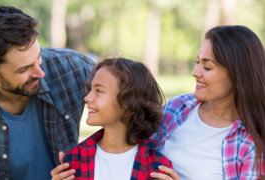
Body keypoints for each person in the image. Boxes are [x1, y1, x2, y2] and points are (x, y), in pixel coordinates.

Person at [0, 6, 94, 179]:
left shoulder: (72, 68)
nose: (40, 73)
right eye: (24, 69)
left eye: (38, 56)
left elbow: (135, 103)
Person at [150, 25, 265, 180]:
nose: (195, 72)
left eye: (207, 67)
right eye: (197, 61)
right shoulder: (177, 107)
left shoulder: (252, 144)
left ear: (238, 76)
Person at [51, 58, 172, 180]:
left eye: (99, 91)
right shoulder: (73, 161)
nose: (87, 98)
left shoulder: (158, 168)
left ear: (129, 104)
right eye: (90, 89)